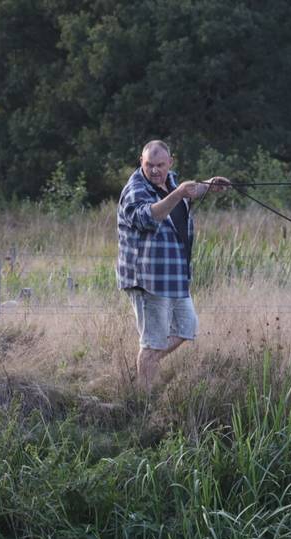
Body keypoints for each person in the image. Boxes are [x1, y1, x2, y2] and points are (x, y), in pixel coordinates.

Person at [116, 140, 230, 389]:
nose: (155, 170)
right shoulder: (135, 190)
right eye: (149, 165)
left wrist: (209, 185)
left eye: (160, 165)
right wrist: (178, 194)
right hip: (147, 279)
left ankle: (146, 369)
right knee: (152, 343)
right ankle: (143, 399)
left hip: (174, 277)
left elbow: (191, 191)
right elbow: (148, 216)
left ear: (170, 162)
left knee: (187, 327)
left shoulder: (171, 182)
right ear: (141, 162)